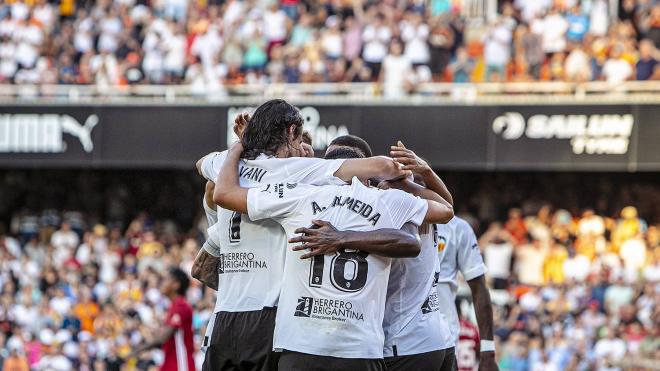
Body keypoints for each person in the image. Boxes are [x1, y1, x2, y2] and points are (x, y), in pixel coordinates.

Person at [196, 100, 422, 371]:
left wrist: (239, 146)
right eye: (301, 139)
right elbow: (381, 168)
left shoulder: (224, 165)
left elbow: (203, 167)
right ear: (291, 131)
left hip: (224, 318)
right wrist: (406, 170)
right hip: (269, 316)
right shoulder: (296, 175)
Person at [214, 140, 453, 371]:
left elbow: (222, 193)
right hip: (363, 347)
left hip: (303, 344)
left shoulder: (300, 197)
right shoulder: (386, 202)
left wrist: (238, 147)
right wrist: (413, 179)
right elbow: (445, 211)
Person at [436, 217, 499, 371]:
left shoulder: (458, 227)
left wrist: (488, 351)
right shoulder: (393, 216)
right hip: (396, 336)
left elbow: (479, 287)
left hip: (445, 339)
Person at [131, 267, 194, 371]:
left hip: (181, 365)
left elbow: (163, 337)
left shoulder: (181, 306)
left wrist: (137, 350)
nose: (162, 283)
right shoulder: (173, 306)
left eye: (166, 279)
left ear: (176, 285)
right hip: (170, 364)